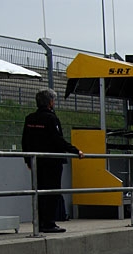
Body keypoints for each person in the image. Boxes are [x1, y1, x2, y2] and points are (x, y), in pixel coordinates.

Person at [21, 88, 84, 233]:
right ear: (50, 102)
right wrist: (76, 150)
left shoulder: (30, 118)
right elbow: (58, 140)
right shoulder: (51, 118)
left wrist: (27, 160)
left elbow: (25, 141)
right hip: (52, 162)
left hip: (36, 162)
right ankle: (49, 223)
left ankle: (39, 222)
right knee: (52, 192)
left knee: (39, 192)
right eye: (53, 100)